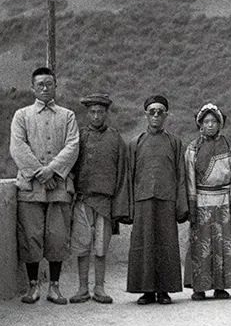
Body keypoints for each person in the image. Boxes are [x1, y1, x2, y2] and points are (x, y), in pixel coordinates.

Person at [10, 66, 79, 305]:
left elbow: (73, 146)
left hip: (59, 186)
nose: (45, 88)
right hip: (30, 187)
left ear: (55, 86)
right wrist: (40, 174)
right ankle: (33, 286)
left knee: (57, 236)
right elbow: (18, 147)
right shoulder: (22, 116)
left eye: (49, 84)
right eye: (40, 84)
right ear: (32, 88)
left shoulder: (68, 116)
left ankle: (54, 287)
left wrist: (52, 170)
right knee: (31, 236)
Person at [126, 95, 189, 305]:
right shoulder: (136, 142)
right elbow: (129, 175)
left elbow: (181, 175)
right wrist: (129, 206)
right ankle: (146, 291)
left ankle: (164, 291)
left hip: (166, 200)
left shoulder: (174, 142)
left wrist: (181, 205)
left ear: (166, 115)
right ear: (145, 114)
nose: (155, 115)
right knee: (143, 245)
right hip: (143, 199)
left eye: (160, 112)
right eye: (152, 111)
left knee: (166, 244)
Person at [70, 93, 128, 304]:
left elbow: (122, 171)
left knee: (101, 246)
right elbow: (71, 166)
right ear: (88, 114)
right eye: (93, 112)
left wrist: (119, 203)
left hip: (105, 201)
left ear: (106, 113)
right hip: (83, 199)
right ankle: (82, 287)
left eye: (100, 112)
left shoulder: (115, 138)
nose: (96, 116)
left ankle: (100, 288)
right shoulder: (79, 137)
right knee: (82, 244)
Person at [183, 103, 231, 300]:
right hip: (201, 200)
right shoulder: (193, 148)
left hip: (224, 200)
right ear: (200, 124)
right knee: (201, 244)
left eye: (214, 121)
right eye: (206, 121)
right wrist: (192, 204)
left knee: (224, 243)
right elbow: (189, 178)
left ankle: (221, 286)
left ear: (220, 124)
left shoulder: (230, 145)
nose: (210, 125)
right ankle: (199, 287)